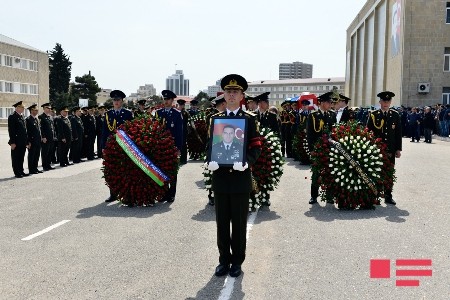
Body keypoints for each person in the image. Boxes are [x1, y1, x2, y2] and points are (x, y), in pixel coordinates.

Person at [206, 74, 262, 278]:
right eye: (228, 91)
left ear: (241, 96)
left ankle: (237, 261)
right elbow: (209, 146)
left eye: (235, 92)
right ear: (224, 95)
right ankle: (223, 260)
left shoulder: (249, 119)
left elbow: (256, 147)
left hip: (240, 179)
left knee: (238, 224)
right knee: (222, 223)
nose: (231, 94)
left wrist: (246, 162)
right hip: (220, 178)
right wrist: (209, 160)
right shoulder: (215, 119)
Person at [366, 91, 402, 205]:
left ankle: (388, 195)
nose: (386, 103)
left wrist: (398, 149)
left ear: (391, 102)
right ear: (380, 102)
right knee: (376, 171)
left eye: (388, 101)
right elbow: (368, 132)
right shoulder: (374, 115)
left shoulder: (395, 115)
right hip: (377, 149)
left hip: (390, 149)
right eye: (384, 101)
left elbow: (398, 133)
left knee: (389, 173)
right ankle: (375, 195)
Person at [103, 90, 134, 202]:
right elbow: (105, 131)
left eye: (118, 100)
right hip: (112, 146)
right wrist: (103, 146)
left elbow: (132, 129)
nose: (116, 102)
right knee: (111, 170)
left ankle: (126, 195)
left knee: (125, 170)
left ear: (122, 101)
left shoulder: (127, 113)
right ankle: (113, 194)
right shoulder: (108, 114)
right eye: (114, 100)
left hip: (124, 145)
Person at [307, 92, 337, 204]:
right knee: (316, 172)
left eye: (331, 102)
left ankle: (330, 196)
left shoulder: (332, 115)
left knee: (330, 172)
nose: (330, 104)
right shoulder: (313, 116)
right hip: (317, 149)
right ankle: (314, 196)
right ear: (322, 103)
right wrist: (311, 150)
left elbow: (335, 132)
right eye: (328, 102)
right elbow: (309, 135)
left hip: (329, 148)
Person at [155, 89, 183, 202]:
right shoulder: (158, 113)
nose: (166, 101)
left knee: (172, 170)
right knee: (161, 170)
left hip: (172, 147)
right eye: (164, 99)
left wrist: (178, 148)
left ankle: (171, 193)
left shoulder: (177, 114)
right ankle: (163, 192)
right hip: (160, 147)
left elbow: (180, 133)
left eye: (168, 99)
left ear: (172, 100)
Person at [8, 101, 30, 178]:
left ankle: (21, 171)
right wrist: (12, 142)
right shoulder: (12, 117)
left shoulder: (22, 117)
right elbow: (11, 131)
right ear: (17, 108)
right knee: (16, 157)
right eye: (21, 107)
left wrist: (27, 141)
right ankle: (17, 172)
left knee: (21, 157)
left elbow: (25, 131)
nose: (23, 109)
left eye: (23, 107)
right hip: (16, 141)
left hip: (23, 141)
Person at [25, 103, 42, 174]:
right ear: (31, 111)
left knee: (37, 155)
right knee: (31, 155)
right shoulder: (28, 120)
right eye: (35, 110)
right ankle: (31, 169)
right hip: (32, 141)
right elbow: (27, 132)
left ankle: (35, 168)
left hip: (37, 140)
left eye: (37, 110)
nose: (37, 111)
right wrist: (28, 141)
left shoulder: (36, 119)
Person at [39, 103, 57, 171]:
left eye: (50, 108)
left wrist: (54, 136)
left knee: (50, 152)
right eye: (48, 108)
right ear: (44, 109)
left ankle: (48, 164)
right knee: (45, 152)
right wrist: (43, 137)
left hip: (51, 138)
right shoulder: (41, 117)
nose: (49, 110)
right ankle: (45, 166)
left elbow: (53, 128)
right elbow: (41, 128)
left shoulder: (50, 117)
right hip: (45, 138)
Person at [177, 99, 190, 164]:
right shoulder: (176, 112)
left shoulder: (185, 113)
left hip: (184, 130)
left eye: (182, 105)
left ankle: (183, 159)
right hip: (178, 130)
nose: (181, 106)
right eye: (180, 105)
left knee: (184, 145)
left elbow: (186, 122)